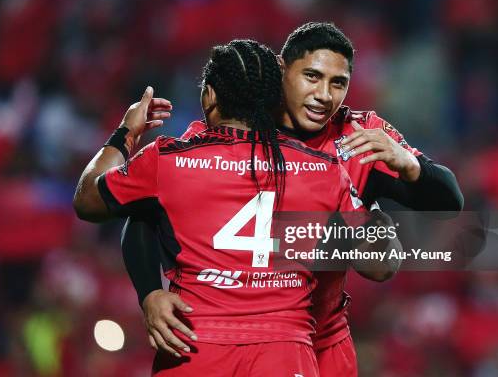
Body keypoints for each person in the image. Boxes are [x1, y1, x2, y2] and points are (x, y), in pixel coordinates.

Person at [125, 23, 463, 376]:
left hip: (322, 340)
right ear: (282, 69)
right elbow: (145, 216)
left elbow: (448, 202)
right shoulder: (235, 124)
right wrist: (149, 292)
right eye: (312, 76)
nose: (324, 95)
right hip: (225, 338)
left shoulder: (359, 137)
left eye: (338, 83)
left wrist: (409, 164)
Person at [73, 39, 379, 376]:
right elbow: (379, 266)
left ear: (210, 96)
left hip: (193, 344)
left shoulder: (168, 160)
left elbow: (87, 200)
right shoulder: (324, 170)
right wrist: (366, 193)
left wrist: (126, 133)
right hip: (284, 353)